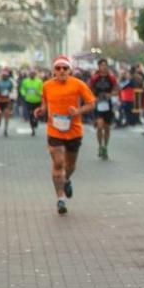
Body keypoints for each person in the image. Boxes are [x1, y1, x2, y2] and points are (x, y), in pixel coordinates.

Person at [34, 56, 95, 215]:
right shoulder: (47, 86)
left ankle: (66, 180)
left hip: (74, 130)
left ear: (70, 70)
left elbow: (91, 103)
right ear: (54, 70)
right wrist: (41, 110)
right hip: (54, 130)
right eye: (58, 68)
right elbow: (45, 104)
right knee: (58, 163)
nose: (61, 71)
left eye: (64, 68)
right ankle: (60, 199)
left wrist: (78, 111)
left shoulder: (78, 84)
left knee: (70, 166)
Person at [88, 59, 118, 159]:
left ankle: (105, 147)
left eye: (105, 65)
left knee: (107, 128)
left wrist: (110, 94)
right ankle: (100, 146)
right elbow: (89, 91)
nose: (104, 67)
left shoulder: (111, 78)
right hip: (98, 104)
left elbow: (117, 90)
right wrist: (94, 98)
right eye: (102, 65)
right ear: (99, 67)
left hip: (108, 105)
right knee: (100, 126)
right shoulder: (94, 78)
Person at [20, 70, 44, 136]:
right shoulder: (25, 81)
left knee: (36, 113)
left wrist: (39, 93)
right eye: (31, 74)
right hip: (29, 100)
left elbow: (42, 89)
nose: (32, 75)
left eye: (33, 74)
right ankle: (32, 129)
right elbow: (22, 89)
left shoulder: (39, 81)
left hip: (37, 100)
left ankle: (36, 121)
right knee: (30, 114)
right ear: (29, 74)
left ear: (35, 74)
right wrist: (24, 94)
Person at [0, 69, 14, 137]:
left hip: (7, 100)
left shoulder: (10, 82)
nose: (5, 77)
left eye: (6, 76)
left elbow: (12, 90)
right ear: (1, 76)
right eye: (3, 75)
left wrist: (12, 98)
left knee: (7, 115)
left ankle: (5, 130)